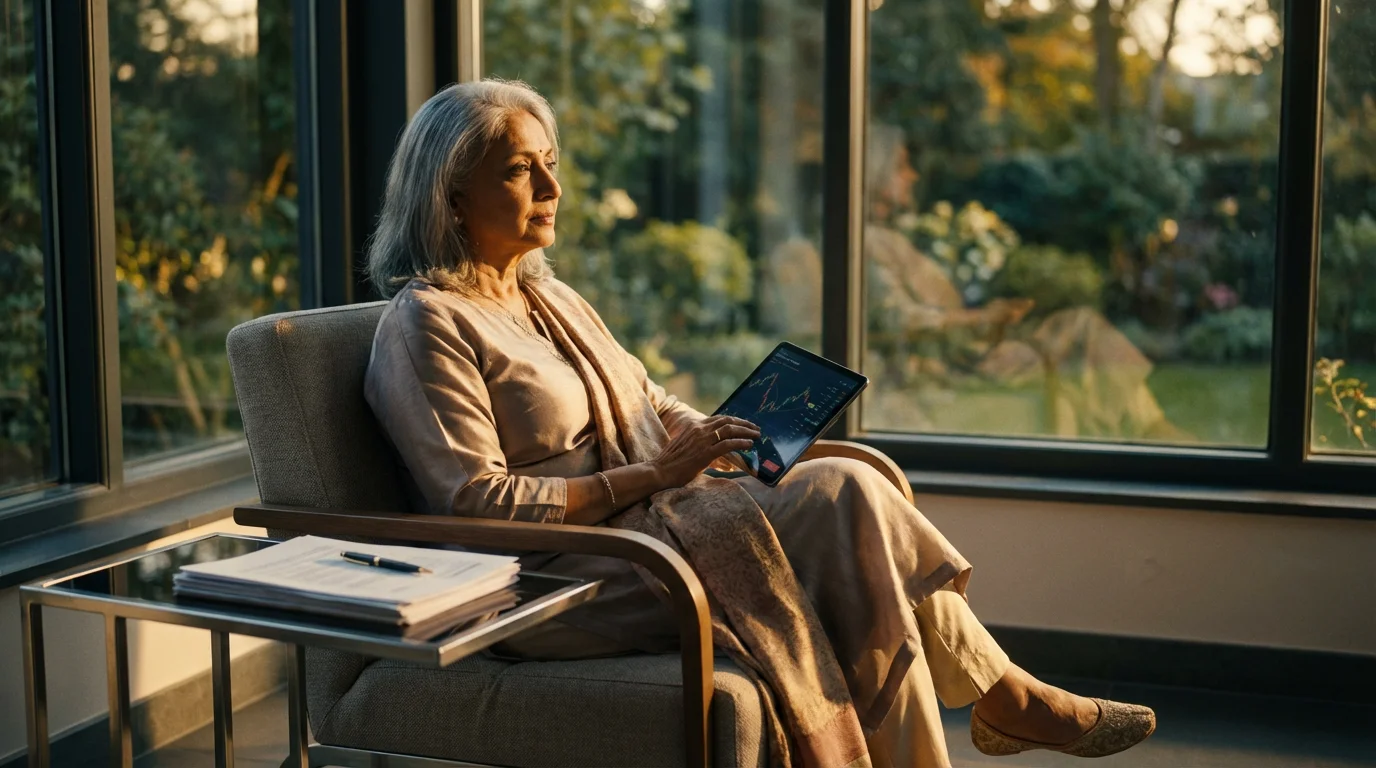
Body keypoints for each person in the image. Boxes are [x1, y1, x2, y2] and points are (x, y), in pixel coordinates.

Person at [362, 79, 1156, 768]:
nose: (551, 188)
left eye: (551, 164)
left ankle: (998, 697)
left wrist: (720, 434)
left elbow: (645, 402)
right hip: (563, 580)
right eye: (518, 170)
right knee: (846, 493)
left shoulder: (551, 300)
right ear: (450, 196)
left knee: (858, 494)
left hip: (656, 529)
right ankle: (1004, 693)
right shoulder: (427, 325)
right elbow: (474, 503)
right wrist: (654, 476)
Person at [762, 124, 1180, 441]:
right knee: (1082, 329)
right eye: (902, 165)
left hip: (961, 351)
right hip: (950, 364)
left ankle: (1148, 428)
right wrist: (979, 319)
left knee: (1076, 328)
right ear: (875, 173)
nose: (911, 175)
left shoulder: (878, 236)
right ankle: (1154, 433)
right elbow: (897, 319)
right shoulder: (866, 240)